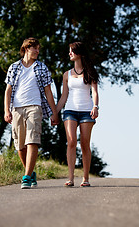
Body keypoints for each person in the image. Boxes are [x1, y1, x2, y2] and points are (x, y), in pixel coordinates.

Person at [4, 37, 59, 189]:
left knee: (32, 140)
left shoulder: (42, 67)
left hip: (35, 107)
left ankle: (27, 177)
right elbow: (8, 91)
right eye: (35, 48)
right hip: (17, 108)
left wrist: (54, 113)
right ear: (26, 49)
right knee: (20, 146)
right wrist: (6, 110)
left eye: (38, 49)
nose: (37, 51)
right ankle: (31, 172)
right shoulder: (14, 67)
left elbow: (48, 92)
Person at [56, 42, 99, 187]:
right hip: (70, 110)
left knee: (85, 143)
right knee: (72, 142)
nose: (69, 54)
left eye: (72, 51)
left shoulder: (90, 72)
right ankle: (71, 178)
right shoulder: (66, 74)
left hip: (87, 111)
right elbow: (63, 96)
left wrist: (95, 106)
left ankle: (85, 178)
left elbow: (94, 91)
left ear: (79, 53)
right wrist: (54, 112)